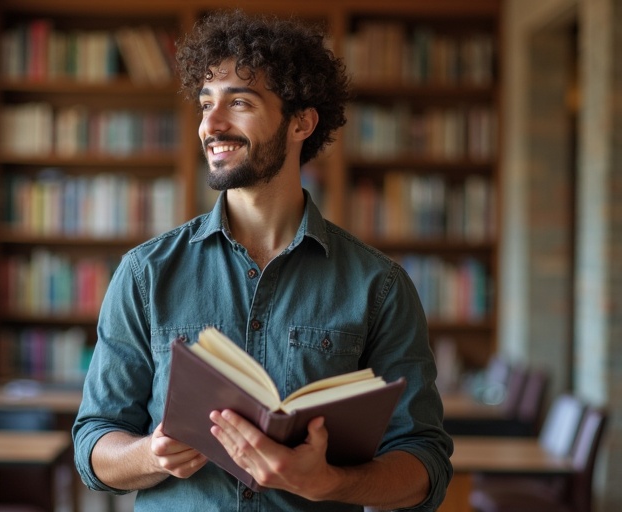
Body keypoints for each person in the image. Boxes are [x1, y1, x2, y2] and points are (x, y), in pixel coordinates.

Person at [73, 9, 453, 511]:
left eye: (240, 102)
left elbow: (424, 463)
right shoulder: (145, 274)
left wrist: (331, 483)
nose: (212, 123)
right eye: (205, 103)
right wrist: (152, 454)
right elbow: (93, 444)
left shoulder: (379, 285)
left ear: (301, 122)